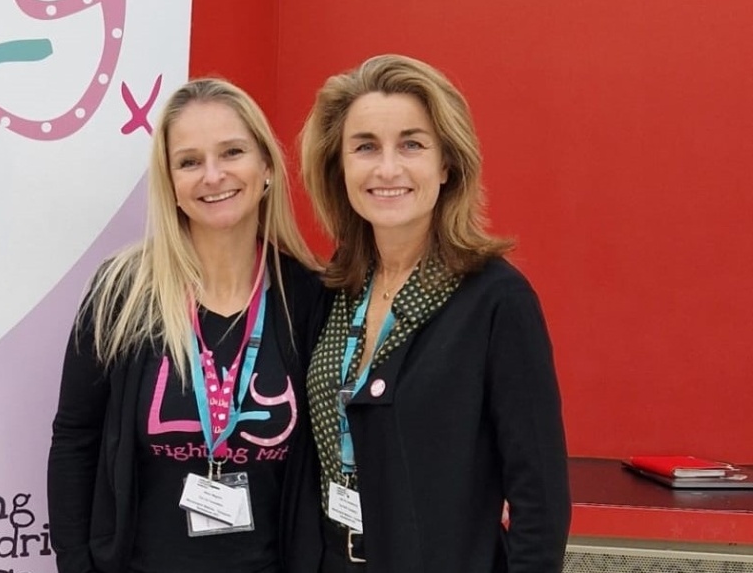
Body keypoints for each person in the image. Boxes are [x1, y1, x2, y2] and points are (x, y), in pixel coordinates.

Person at [299, 54, 570, 572]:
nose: (387, 168)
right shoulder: (334, 290)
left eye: (411, 144)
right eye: (364, 147)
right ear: (339, 166)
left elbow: (541, 501)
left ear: (446, 164)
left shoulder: (496, 301)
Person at [48, 78, 330, 573]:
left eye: (232, 152)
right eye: (190, 161)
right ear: (170, 182)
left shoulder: (311, 299)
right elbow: (75, 440)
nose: (213, 175)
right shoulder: (122, 293)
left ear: (266, 166)